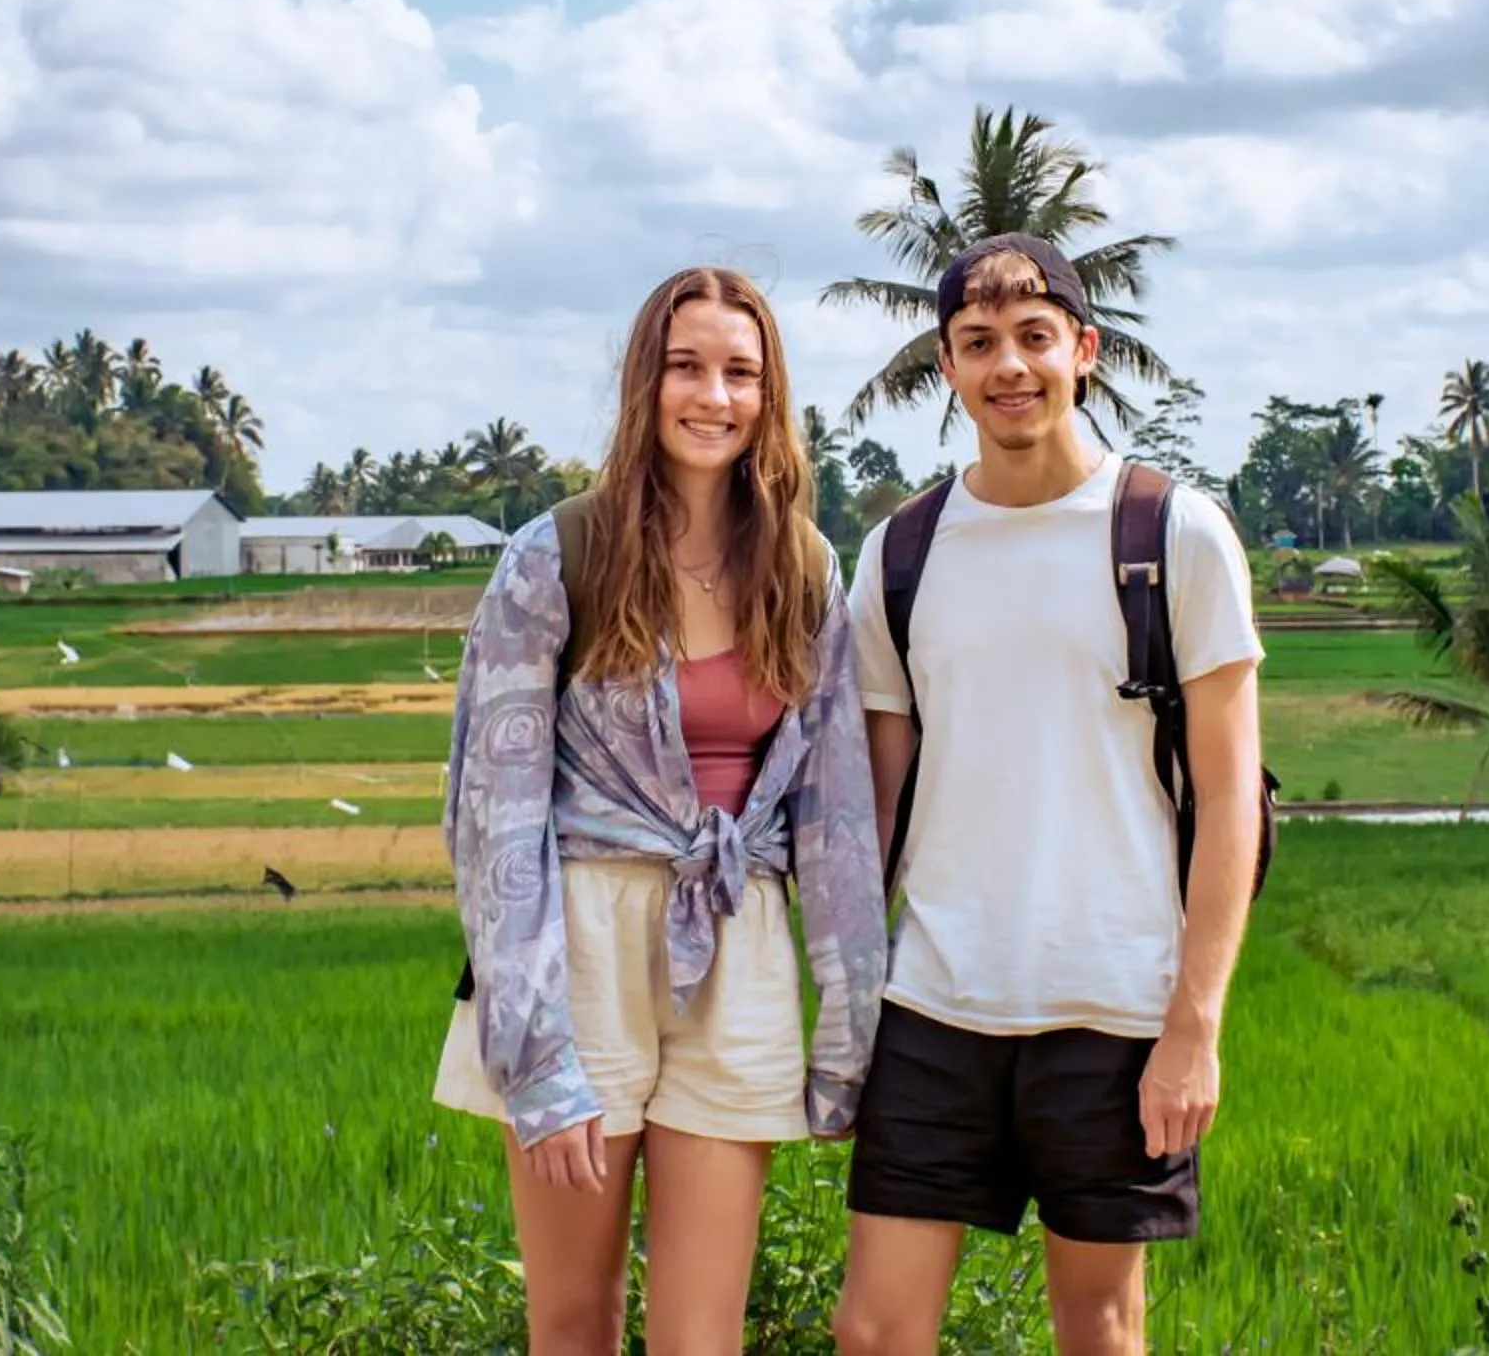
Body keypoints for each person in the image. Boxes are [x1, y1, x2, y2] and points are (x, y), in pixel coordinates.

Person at [434, 266, 887, 1356]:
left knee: (702, 1336)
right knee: (576, 1322)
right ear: (647, 380)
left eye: (741, 371)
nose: (712, 395)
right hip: (582, 945)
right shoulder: (556, 555)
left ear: (769, 396)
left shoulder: (807, 566)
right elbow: (493, 814)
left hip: (741, 940)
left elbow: (834, 813)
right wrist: (537, 1054)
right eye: (687, 366)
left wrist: (851, 1026)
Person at [831, 236, 1268, 1356]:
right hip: (934, 1006)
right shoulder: (898, 553)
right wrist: (845, 1008)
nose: (1009, 365)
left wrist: (1195, 1027)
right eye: (979, 343)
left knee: (1101, 1324)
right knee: (876, 1329)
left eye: (1034, 337)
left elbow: (1231, 801)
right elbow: (874, 810)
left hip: (1117, 1007)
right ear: (947, 365)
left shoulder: (1173, 534)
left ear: (1085, 347)